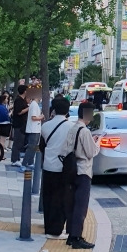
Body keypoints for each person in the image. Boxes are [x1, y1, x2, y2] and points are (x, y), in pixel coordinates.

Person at [63, 102, 99, 249]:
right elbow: (91, 153)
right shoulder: (84, 131)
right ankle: (77, 237)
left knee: (72, 204)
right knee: (81, 206)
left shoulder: (72, 128)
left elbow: (65, 149)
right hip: (83, 170)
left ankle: (71, 235)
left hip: (71, 170)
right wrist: (98, 144)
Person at [40, 98, 73, 240]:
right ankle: (56, 231)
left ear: (53, 109)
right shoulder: (71, 127)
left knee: (48, 197)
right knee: (60, 199)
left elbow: (42, 146)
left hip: (48, 166)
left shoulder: (46, 126)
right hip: (63, 168)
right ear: (67, 110)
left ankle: (48, 227)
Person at [21, 90, 44, 171]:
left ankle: (30, 162)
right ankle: (24, 164)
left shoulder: (35, 104)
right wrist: (41, 117)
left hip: (35, 129)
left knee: (33, 147)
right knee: (31, 147)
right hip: (33, 129)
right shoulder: (34, 105)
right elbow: (33, 117)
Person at [10, 85, 29, 166]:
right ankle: (14, 160)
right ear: (25, 91)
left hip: (22, 124)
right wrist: (29, 108)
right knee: (17, 142)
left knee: (20, 142)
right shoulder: (18, 100)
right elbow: (19, 112)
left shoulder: (22, 100)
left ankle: (17, 158)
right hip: (19, 124)